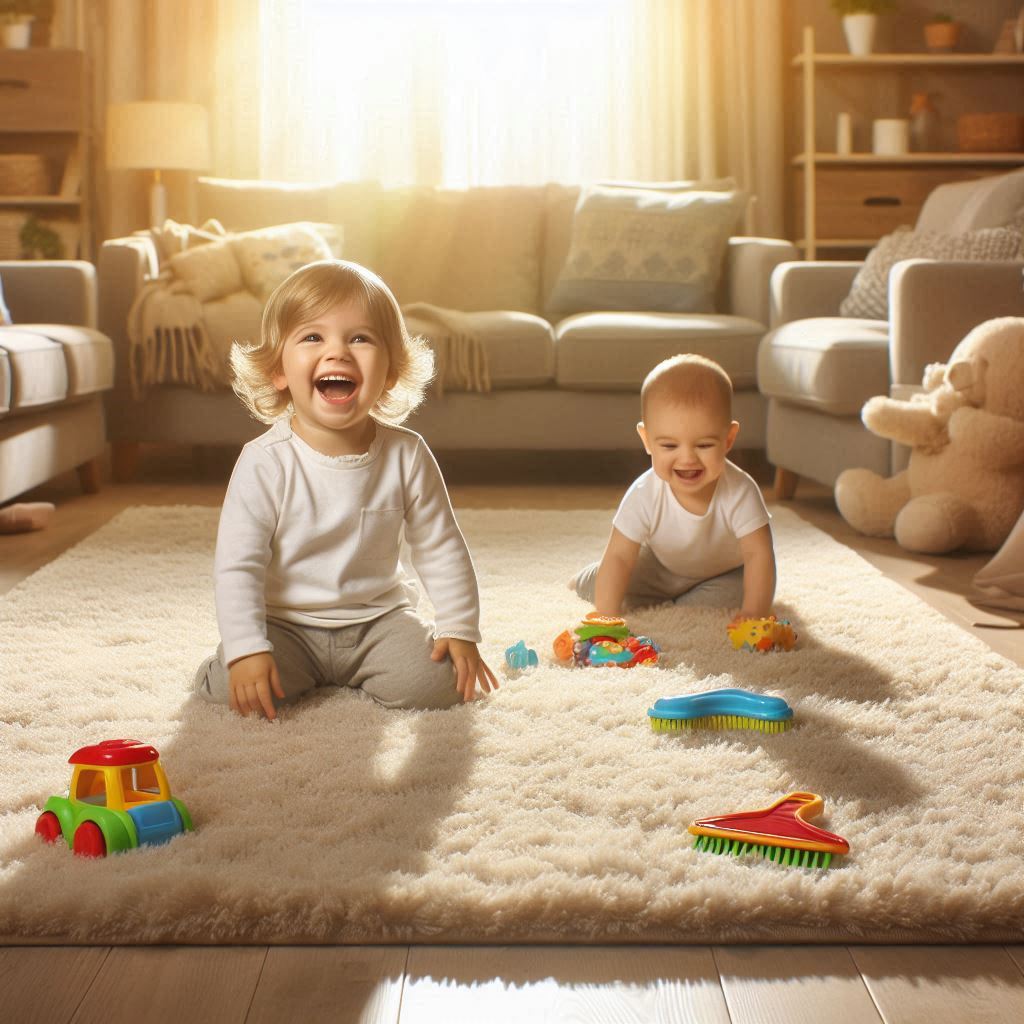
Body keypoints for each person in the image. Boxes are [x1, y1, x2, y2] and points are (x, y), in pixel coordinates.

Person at [194, 260, 498, 720]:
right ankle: (219, 665)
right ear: (279, 369)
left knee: (440, 685)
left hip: (378, 622)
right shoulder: (265, 461)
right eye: (313, 337)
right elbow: (238, 566)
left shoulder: (407, 455)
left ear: (391, 372)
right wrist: (245, 650)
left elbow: (440, 547)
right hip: (286, 624)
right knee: (243, 695)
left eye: (360, 338)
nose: (337, 353)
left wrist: (459, 627)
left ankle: (364, 670)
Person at [570, 353, 775, 621]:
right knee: (606, 584)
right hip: (658, 566)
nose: (687, 458)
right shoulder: (644, 493)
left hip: (722, 573)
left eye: (704, 445)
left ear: (729, 439)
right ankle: (582, 578)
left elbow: (759, 555)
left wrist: (753, 612)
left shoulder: (741, 491)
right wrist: (607, 617)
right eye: (669, 446)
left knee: (731, 598)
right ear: (647, 440)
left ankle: (677, 601)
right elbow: (620, 555)